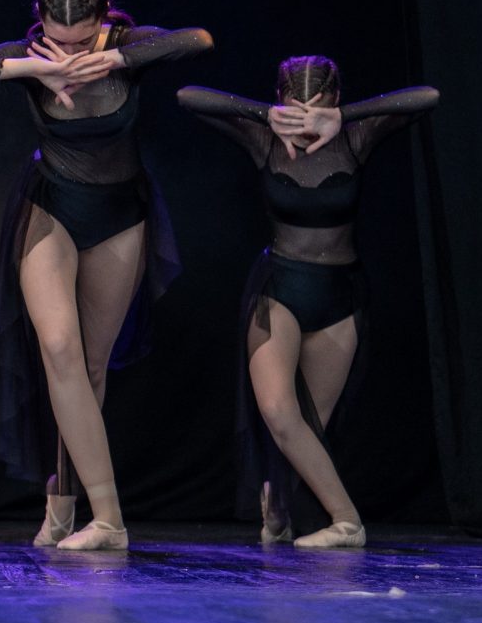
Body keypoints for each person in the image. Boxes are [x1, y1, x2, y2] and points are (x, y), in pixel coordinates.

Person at [0, 0, 211, 550]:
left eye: (82, 43)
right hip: (50, 207)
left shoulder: (128, 45)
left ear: (103, 21)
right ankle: (110, 521)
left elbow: (198, 40)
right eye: (59, 40)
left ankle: (63, 499)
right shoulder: (31, 53)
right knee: (58, 348)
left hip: (120, 214)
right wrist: (31, 66)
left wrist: (115, 59)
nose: (70, 54)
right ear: (40, 20)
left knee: (92, 370)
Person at [178, 60, 438, 549]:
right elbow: (188, 96)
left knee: (308, 428)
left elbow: (427, 97)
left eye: (316, 109)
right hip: (280, 288)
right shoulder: (265, 138)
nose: (305, 120)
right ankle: (347, 521)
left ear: (334, 101)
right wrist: (266, 115)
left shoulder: (354, 138)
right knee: (279, 411)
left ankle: (278, 506)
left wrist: (343, 118)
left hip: (339, 295)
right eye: (295, 108)